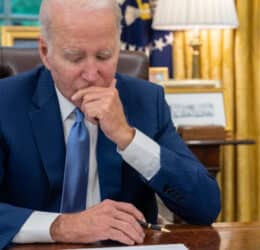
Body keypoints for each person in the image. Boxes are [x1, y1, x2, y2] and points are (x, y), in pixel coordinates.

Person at [0, 0, 221, 248]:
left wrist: (128, 137)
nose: (92, 74)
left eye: (104, 56)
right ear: (45, 53)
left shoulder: (146, 101)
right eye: (75, 58)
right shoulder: (5, 103)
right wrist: (63, 226)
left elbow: (206, 206)